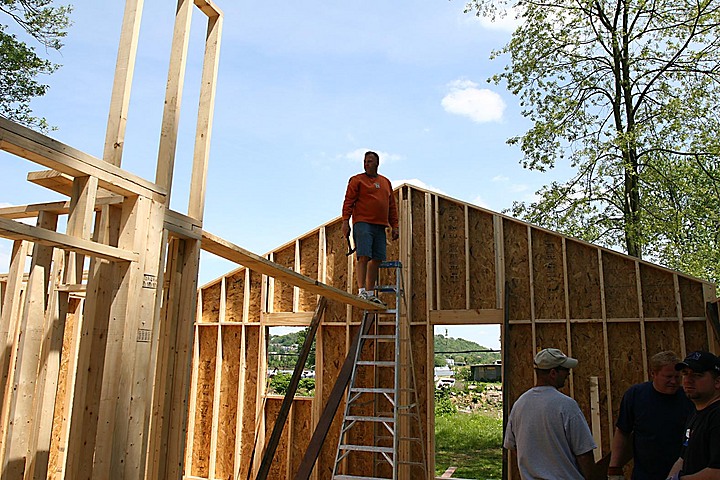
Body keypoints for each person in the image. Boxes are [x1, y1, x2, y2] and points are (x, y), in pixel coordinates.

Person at [504, 348, 597, 479]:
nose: (568, 374)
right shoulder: (566, 405)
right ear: (553, 373)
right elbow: (584, 454)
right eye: (565, 370)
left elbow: (513, 447)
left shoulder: (520, 404)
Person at [608, 351, 694, 480]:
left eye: (677, 377)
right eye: (668, 376)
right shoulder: (636, 395)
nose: (674, 381)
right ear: (653, 374)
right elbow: (622, 431)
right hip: (645, 474)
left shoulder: (688, 399)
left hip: (681, 473)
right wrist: (614, 467)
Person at [341, 151, 399, 305]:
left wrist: (395, 226)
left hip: (380, 225)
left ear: (377, 163)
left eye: (370, 161)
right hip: (363, 222)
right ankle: (361, 292)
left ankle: (369, 291)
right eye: (365, 161)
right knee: (363, 255)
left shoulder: (385, 182)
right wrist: (345, 221)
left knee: (377, 258)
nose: (366, 164)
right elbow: (348, 201)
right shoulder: (357, 180)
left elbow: (391, 206)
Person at [665, 351, 720, 480]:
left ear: (717, 382)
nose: (688, 380)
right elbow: (683, 458)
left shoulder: (717, 417)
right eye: (685, 374)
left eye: (697, 375)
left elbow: (717, 472)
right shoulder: (696, 413)